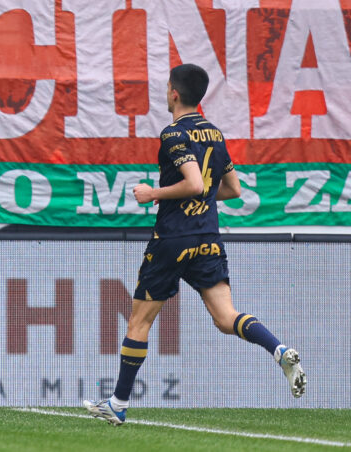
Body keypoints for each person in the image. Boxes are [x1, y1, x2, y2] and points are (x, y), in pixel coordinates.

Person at [83, 64, 306, 426]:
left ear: (174, 93)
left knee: (139, 321)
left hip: (173, 238)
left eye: (167, 87)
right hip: (207, 237)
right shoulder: (214, 133)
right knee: (226, 318)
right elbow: (233, 189)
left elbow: (195, 184)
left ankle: (118, 404)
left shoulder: (173, 133)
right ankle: (278, 349)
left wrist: (154, 193)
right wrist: (199, 197)